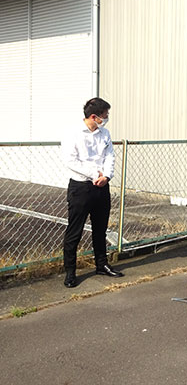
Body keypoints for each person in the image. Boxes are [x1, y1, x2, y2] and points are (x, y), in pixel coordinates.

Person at [61, 98, 124, 288]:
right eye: (105, 115)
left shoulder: (104, 134)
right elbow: (70, 160)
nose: (106, 118)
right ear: (94, 116)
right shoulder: (73, 133)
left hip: (101, 187)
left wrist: (106, 176)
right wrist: (93, 174)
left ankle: (101, 264)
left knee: (100, 229)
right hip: (81, 188)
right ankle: (70, 271)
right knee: (75, 230)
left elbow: (110, 156)